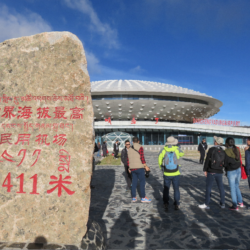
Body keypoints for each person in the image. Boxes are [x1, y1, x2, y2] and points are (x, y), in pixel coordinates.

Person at [198, 136, 226, 209]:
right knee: (221, 187)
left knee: (209, 188)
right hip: (220, 171)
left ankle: (206, 204)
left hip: (211, 171)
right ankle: (222, 203)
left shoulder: (212, 149)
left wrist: (205, 170)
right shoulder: (223, 150)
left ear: (216, 142)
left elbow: (207, 160)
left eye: (215, 141)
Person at [158, 136, 184, 211]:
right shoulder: (177, 149)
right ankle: (176, 204)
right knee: (176, 189)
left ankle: (166, 203)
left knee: (166, 189)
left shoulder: (163, 149)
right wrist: (179, 147)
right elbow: (182, 154)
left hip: (166, 172)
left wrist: (161, 168)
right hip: (176, 172)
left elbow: (159, 159)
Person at [127, 136, 151, 203]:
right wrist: (145, 166)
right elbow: (142, 158)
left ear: (132, 142)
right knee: (142, 182)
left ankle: (134, 197)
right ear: (138, 141)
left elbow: (128, 159)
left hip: (132, 168)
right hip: (139, 167)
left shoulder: (129, 149)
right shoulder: (140, 147)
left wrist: (129, 167)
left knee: (134, 182)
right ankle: (143, 197)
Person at [224, 137, 244, 210]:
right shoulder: (236, 149)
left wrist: (225, 169)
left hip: (231, 171)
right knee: (236, 186)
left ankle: (235, 205)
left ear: (227, 143)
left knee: (232, 189)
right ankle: (240, 202)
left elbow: (225, 163)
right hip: (238, 169)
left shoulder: (226, 151)